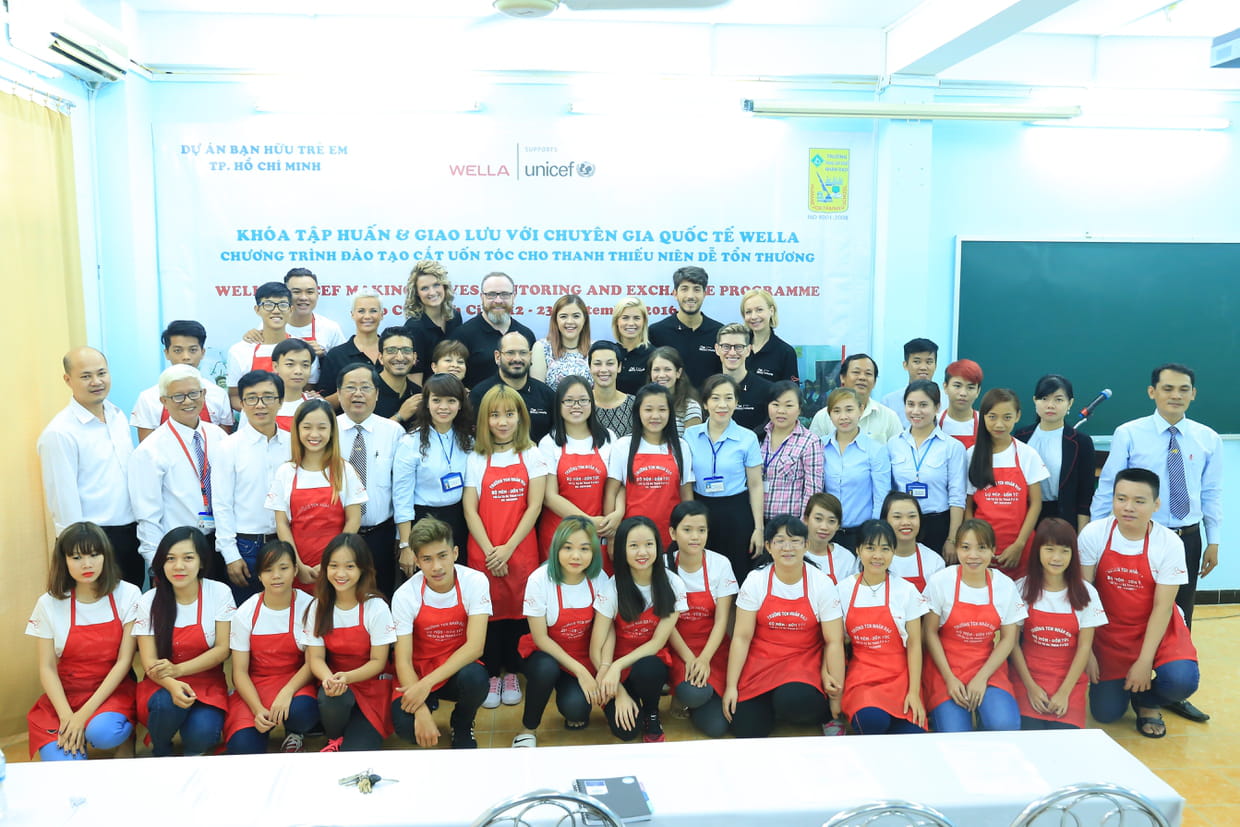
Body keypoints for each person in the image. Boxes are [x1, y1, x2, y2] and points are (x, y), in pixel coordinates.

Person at [1091, 364, 1220, 637]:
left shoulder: (1208, 438)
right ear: (1152, 392)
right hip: (1139, 538)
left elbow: (1211, 492)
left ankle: (1176, 663)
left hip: (1187, 538)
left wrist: (1214, 540)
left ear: (1193, 394)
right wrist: (1095, 535)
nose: (1176, 395)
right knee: (1134, 610)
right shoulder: (1129, 433)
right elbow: (1108, 487)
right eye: (1168, 388)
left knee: (1180, 614)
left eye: (1183, 389)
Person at [1081, 469, 1200, 738]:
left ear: (1156, 505)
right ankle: (1126, 688)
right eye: (1121, 498)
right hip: (1109, 633)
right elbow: (1083, 595)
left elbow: (1162, 607)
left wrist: (1145, 661)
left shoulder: (1169, 543)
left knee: (1181, 681)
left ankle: (1148, 701)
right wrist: (1087, 650)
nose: (1128, 507)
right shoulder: (1094, 534)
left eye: (1139, 501)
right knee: (1106, 713)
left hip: (1158, 629)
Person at [463, 385, 549, 709]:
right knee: (488, 613)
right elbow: (470, 509)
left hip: (520, 551)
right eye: (495, 415)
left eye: (509, 414)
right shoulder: (476, 457)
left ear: (520, 418)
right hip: (483, 551)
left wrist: (508, 549)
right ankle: (490, 674)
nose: (502, 422)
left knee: (517, 613)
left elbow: (534, 506)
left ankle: (512, 672)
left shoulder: (532, 454)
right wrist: (491, 552)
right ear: (484, 420)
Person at [26, 522, 141, 760]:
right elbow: (47, 667)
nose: (87, 564)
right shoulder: (48, 603)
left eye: (94, 555)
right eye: (76, 557)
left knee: (103, 733)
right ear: (64, 561)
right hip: (66, 696)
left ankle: (124, 736)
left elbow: (124, 662)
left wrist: (83, 716)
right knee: (65, 767)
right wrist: (68, 718)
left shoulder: (128, 594)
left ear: (106, 555)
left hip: (112, 691)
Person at [723, 515, 845, 739]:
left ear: (806, 545)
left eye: (795, 541)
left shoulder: (821, 583)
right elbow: (741, 637)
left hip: (803, 662)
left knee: (794, 701)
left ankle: (808, 711)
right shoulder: (756, 580)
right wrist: (731, 686)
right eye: (779, 541)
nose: (787, 548)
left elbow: (834, 641)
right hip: (761, 663)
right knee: (745, 729)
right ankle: (770, 706)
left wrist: (835, 699)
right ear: (768, 547)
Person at [38, 347, 140, 586]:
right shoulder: (60, 432)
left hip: (129, 533)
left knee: (130, 602)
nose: (96, 381)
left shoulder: (117, 415)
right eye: (86, 376)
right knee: (95, 604)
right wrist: (80, 550)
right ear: (68, 380)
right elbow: (63, 500)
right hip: (91, 540)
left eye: (101, 373)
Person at [134, 527, 235, 756]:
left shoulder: (219, 592)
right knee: (165, 704)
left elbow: (223, 650)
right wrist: (172, 682)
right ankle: (161, 748)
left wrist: (179, 669)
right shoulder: (149, 600)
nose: (178, 566)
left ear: (201, 562)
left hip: (207, 681)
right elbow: (149, 661)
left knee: (203, 734)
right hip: (161, 681)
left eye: (188, 558)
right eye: (170, 559)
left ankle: (194, 751)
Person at [391, 517, 491, 749]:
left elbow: (475, 647)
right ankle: (428, 704)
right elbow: (403, 660)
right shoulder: (405, 596)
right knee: (407, 730)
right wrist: (420, 710)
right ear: (416, 561)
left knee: (476, 678)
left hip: (456, 669)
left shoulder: (475, 582)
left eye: (442, 556)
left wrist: (426, 685)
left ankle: (462, 723)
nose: (436, 567)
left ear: (455, 553)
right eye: (427, 559)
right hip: (417, 672)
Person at [922, 519, 1024, 733]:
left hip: (987, 665)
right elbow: (929, 633)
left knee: (1004, 724)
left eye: (982, 548)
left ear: (993, 550)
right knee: (955, 734)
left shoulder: (1004, 585)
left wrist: (982, 678)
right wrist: (949, 679)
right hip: (946, 667)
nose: (973, 555)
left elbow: (1008, 639)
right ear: (957, 549)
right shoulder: (941, 581)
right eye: (965, 547)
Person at [516, 516, 611, 747]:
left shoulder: (600, 578)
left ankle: (570, 697)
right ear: (556, 548)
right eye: (568, 548)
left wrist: (602, 668)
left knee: (576, 709)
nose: (576, 556)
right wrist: (580, 672)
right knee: (545, 668)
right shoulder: (539, 580)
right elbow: (540, 638)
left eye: (584, 549)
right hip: (547, 653)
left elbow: (606, 630)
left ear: (594, 551)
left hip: (586, 655)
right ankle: (528, 729)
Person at [591, 516, 687, 743]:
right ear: (622, 549)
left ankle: (652, 713)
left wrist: (617, 665)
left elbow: (657, 642)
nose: (642, 552)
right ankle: (632, 701)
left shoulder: (673, 584)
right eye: (633, 545)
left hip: (647, 661)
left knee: (650, 667)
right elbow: (596, 647)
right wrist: (618, 689)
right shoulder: (612, 588)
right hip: (614, 667)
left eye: (649, 544)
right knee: (626, 732)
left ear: (658, 546)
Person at [128, 365, 229, 576]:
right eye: (178, 396)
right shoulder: (150, 450)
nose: (188, 401)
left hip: (220, 543)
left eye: (193, 393)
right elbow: (147, 515)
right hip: (179, 551)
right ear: (164, 401)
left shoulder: (219, 437)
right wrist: (156, 565)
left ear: (204, 394)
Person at [1009, 518, 1106, 731]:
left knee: (1065, 743)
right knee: (1029, 739)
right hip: (1028, 678)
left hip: (1069, 683)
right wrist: (1031, 688)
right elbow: (1012, 644)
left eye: (1064, 551)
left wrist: (1064, 693)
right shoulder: (1021, 589)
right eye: (1049, 549)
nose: (1056, 558)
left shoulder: (1087, 593)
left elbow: (1084, 647)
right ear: (1037, 551)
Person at [223, 540, 318, 754]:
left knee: (301, 712)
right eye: (268, 570)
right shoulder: (245, 612)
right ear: (259, 575)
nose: (276, 576)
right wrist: (257, 709)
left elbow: (312, 662)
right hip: (256, 685)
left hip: (295, 682)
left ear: (295, 570)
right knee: (242, 747)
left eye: (283, 568)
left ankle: (295, 733)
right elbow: (239, 672)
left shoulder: (310, 607)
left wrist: (287, 692)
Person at [304, 533, 395, 752]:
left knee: (357, 752)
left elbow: (378, 661)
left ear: (363, 569)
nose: (341, 574)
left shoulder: (376, 607)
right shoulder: (318, 606)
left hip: (372, 688)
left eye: (350, 566)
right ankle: (334, 736)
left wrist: (347, 677)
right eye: (333, 566)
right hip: (336, 687)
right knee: (331, 698)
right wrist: (330, 680)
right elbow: (315, 658)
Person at [837, 519, 929, 734]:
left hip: (901, 679)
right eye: (870, 548)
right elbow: (835, 643)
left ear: (893, 552)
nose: (877, 555)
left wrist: (914, 692)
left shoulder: (906, 591)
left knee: (913, 737)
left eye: (885, 549)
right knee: (872, 721)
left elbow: (915, 645)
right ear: (858, 549)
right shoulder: (842, 590)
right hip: (862, 679)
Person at [266, 399, 367, 592]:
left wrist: (331, 562)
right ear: (297, 430)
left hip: (339, 568)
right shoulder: (286, 472)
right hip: (298, 566)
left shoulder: (344, 470)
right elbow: (282, 524)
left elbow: (354, 520)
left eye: (322, 427)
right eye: (307, 427)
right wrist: (297, 565)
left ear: (332, 431)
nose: (314, 434)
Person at [211, 370, 291, 604]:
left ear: (280, 401)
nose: (260, 405)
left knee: (286, 610)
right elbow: (222, 504)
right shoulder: (228, 447)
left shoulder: (293, 443)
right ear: (242, 404)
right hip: (246, 546)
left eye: (268, 397)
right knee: (247, 612)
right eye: (252, 398)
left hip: (287, 541)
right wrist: (230, 555)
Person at [665, 501, 737, 738]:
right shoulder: (663, 565)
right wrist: (690, 659)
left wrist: (704, 659)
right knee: (694, 693)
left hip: (713, 648)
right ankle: (684, 696)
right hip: (677, 648)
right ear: (673, 533)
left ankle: (700, 696)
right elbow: (666, 624)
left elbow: (722, 620)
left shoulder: (720, 564)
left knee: (717, 727)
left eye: (701, 530)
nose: (695, 537)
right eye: (687, 530)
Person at [686, 375, 765, 581]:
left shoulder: (748, 438)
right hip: (700, 510)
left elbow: (756, 485)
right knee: (703, 573)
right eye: (715, 398)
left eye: (729, 398)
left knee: (736, 574)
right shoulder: (690, 436)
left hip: (736, 513)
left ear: (736, 402)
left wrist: (759, 528)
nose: (722, 405)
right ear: (705, 403)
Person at [337, 363, 406, 600]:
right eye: (350, 387)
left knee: (381, 598)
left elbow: (401, 489)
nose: (358, 394)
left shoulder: (394, 432)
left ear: (377, 394)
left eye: (365, 387)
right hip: (338, 532)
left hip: (381, 535)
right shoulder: (327, 431)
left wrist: (401, 537)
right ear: (339, 393)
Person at [394, 374, 474, 576]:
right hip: (422, 520)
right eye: (436, 400)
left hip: (459, 519)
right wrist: (405, 544)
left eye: (451, 401)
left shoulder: (468, 441)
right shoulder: (410, 442)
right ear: (427, 403)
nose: (443, 407)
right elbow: (402, 497)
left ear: (460, 404)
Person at [965, 389, 1048, 573]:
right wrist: (976, 546)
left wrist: (1019, 544)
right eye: (992, 417)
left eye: (1007, 417)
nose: (999, 424)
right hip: (981, 548)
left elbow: (1036, 504)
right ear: (983, 417)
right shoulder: (971, 455)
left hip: (1019, 546)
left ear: (1017, 416)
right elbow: (968, 507)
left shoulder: (1027, 454)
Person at [537, 375, 621, 557]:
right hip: (561, 534)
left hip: (599, 532)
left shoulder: (608, 438)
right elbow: (549, 496)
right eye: (569, 401)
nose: (576, 406)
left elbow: (618, 484)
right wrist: (587, 521)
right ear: (558, 404)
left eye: (583, 400)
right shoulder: (548, 443)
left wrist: (618, 514)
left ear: (592, 403)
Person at [605, 384, 694, 553]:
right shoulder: (623, 446)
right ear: (638, 411)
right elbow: (611, 492)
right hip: (632, 537)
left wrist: (689, 533)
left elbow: (686, 496)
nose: (655, 416)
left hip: (672, 536)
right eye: (648, 409)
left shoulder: (681, 447)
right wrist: (611, 537)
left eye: (662, 409)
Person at [888, 379, 966, 557]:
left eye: (923, 405)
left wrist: (952, 539)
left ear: (937, 407)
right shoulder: (893, 444)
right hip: (901, 525)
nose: (916, 411)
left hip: (937, 525)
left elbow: (957, 497)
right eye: (910, 404)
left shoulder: (952, 447)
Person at [1014, 374, 1096, 532]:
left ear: (1070, 403)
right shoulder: (1020, 437)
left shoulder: (1081, 442)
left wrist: (1081, 535)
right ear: (1035, 400)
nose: (1050, 405)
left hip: (1064, 518)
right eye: (1044, 399)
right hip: (1024, 517)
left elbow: (1085, 496)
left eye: (1058, 400)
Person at [131, 320, 234, 442]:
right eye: (178, 350)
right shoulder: (148, 398)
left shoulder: (219, 394)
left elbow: (224, 444)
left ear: (202, 353)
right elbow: (146, 448)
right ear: (167, 353)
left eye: (193, 350)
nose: (186, 357)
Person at [241, 269, 347, 382]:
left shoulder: (330, 328)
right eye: (296, 292)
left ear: (317, 295)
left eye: (310, 292)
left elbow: (344, 367)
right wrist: (250, 338)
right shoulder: (268, 324)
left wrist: (324, 356)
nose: (304, 297)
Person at [819, 387, 891, 551]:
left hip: (861, 533)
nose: (843, 416)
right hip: (826, 533)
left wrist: (874, 531)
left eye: (849, 409)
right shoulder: (819, 446)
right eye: (836, 411)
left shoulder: (875, 450)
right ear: (830, 415)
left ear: (861, 410)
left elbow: (881, 495)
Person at [450, 271, 536, 388]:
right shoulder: (461, 336)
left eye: (505, 294)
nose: (498, 300)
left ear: (514, 297)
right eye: (491, 294)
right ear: (482, 297)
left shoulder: (526, 335)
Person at [469, 330, 557, 443]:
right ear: (497, 356)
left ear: (530, 356)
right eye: (510, 353)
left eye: (523, 353)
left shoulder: (547, 395)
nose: (517, 359)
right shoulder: (480, 394)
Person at [647, 266, 722, 388]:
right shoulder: (656, 332)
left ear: (705, 294)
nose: (690, 296)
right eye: (684, 289)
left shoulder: (719, 333)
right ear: (675, 294)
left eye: (696, 289)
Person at [761, 381, 823, 523]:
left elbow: (813, 490)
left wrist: (802, 524)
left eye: (788, 406)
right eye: (775, 404)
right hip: (757, 521)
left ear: (799, 409)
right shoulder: (759, 436)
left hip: (790, 523)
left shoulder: (810, 442)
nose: (781, 411)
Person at [226, 282, 292, 411]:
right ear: (257, 310)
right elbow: (234, 396)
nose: (276, 310)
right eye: (268, 305)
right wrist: (260, 412)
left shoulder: (301, 348)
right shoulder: (239, 351)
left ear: (291, 310)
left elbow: (307, 390)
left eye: (283, 305)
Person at [809, 354, 901, 446]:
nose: (862, 377)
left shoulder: (889, 417)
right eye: (856, 372)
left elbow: (899, 451)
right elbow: (813, 451)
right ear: (842, 378)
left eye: (868, 374)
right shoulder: (823, 417)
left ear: (874, 382)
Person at [318, 289, 385, 405]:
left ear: (382, 315)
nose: (367, 316)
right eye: (361, 311)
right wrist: (349, 389)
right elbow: (324, 403)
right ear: (352, 314)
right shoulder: (336, 355)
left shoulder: (392, 352)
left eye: (373, 311)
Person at [402, 259, 463, 385]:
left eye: (436, 285)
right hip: (428, 393)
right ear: (417, 294)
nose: (432, 292)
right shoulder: (414, 328)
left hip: (453, 389)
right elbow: (414, 379)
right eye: (424, 288)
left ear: (444, 286)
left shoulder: (454, 317)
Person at [882, 492, 946, 593]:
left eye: (912, 516)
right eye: (897, 517)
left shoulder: (935, 561)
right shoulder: (872, 559)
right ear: (885, 521)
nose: (905, 522)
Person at [714, 323, 773, 433]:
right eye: (726, 346)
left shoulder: (767, 390)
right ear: (717, 349)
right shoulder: (708, 389)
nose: (732, 352)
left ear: (748, 350)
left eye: (739, 347)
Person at [531, 294, 592, 389]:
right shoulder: (542, 348)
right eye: (563, 316)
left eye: (576, 316)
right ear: (555, 320)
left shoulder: (594, 348)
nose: (570, 321)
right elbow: (538, 392)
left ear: (584, 319)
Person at [740, 289, 798, 384]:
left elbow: (791, 391)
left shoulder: (786, 352)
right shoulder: (738, 347)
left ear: (771, 311)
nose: (753, 316)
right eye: (748, 312)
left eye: (759, 310)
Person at [880, 338, 939, 428]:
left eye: (929, 362)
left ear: (935, 365)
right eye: (917, 362)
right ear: (905, 365)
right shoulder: (889, 402)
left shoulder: (947, 401)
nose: (923, 367)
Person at [803, 493, 858, 584]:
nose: (824, 527)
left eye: (831, 521)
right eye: (818, 519)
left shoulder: (846, 558)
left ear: (838, 526)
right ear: (806, 519)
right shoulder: (793, 553)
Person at [648, 346, 702, 436]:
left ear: (678, 373)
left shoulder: (690, 407)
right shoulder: (643, 404)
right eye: (656, 370)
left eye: (667, 369)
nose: (661, 375)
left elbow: (693, 442)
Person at [374, 327, 422, 425]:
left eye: (406, 350)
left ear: (414, 357)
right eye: (391, 350)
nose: (400, 358)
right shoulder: (367, 391)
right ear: (381, 358)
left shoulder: (419, 394)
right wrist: (399, 416)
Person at [588, 341, 635, 438]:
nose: (603, 370)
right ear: (590, 367)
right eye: (597, 364)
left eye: (610, 363)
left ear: (619, 367)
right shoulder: (581, 403)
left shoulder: (633, 404)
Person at [271, 337, 318, 431]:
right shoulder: (259, 405)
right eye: (290, 364)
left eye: (305, 365)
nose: (298, 371)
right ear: (275, 367)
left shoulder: (318, 406)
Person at [611, 297, 653, 395]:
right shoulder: (610, 353)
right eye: (625, 318)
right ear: (617, 321)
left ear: (644, 321)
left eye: (636, 318)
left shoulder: (653, 355)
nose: (631, 323)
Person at [939, 359, 984, 449]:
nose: (963, 393)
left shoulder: (985, 424)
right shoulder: (934, 422)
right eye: (957, 386)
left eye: (970, 387)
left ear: (978, 391)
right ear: (945, 387)